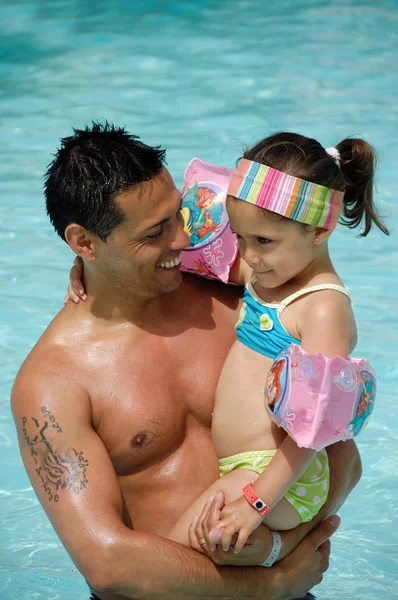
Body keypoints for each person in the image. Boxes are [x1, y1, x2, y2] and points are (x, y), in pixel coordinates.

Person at [11, 123, 361, 600]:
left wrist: (279, 545)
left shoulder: (245, 301)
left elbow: (340, 450)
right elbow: (109, 566)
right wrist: (269, 583)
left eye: (181, 214)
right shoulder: (53, 383)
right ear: (85, 243)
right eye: (156, 233)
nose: (183, 239)